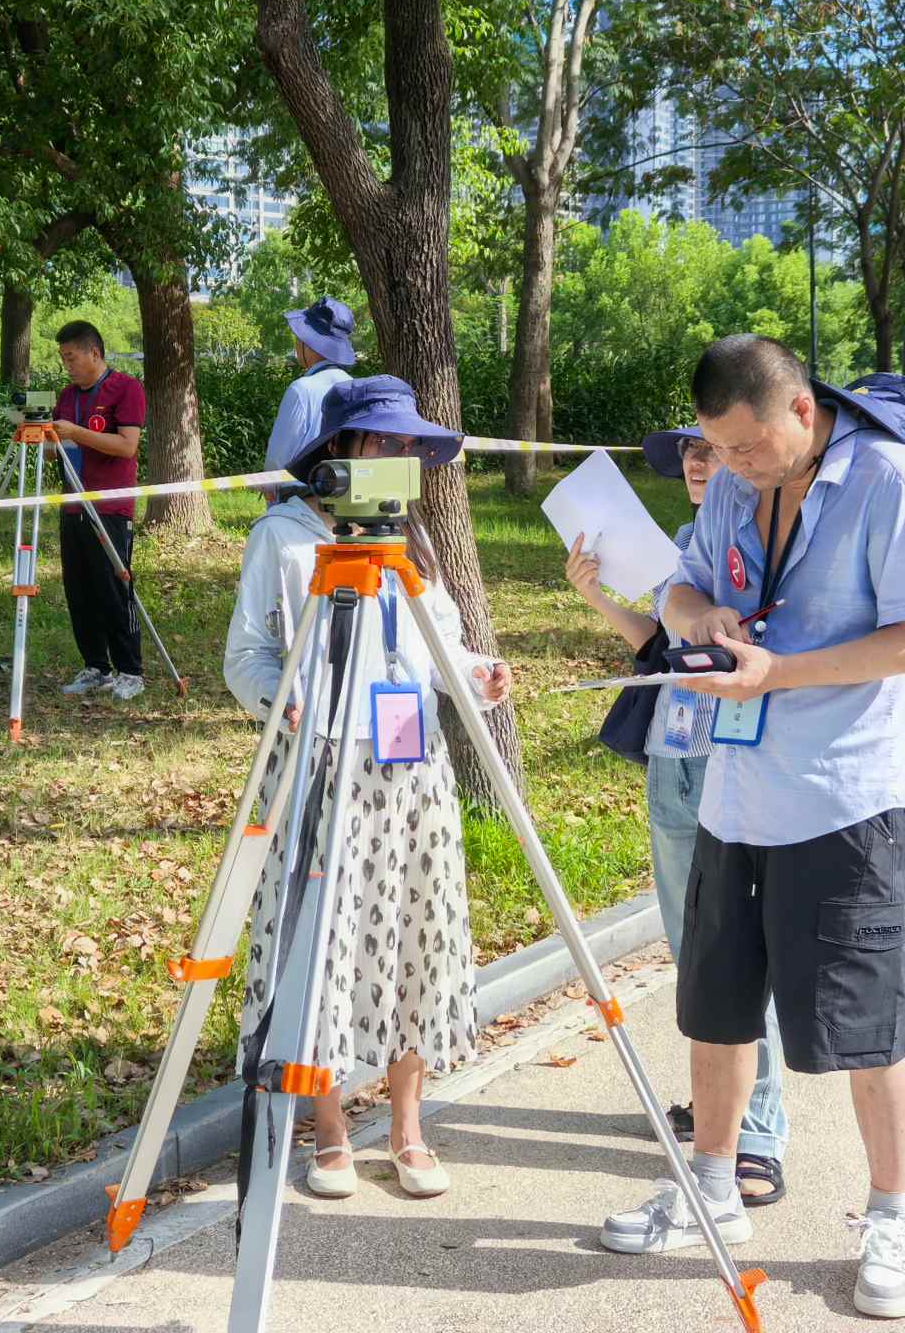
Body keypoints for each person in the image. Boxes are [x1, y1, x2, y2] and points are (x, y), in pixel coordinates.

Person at [596, 335, 905, 1320]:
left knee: (869, 1026)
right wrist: (702, 619)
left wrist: (779, 673)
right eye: (716, 449)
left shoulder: (892, 482)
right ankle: (713, 1185)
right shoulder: (729, 482)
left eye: (747, 447)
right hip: (732, 793)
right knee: (715, 1007)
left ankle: (891, 1218)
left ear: (802, 409)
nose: (732, 468)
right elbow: (677, 589)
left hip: (843, 800)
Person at [224, 375, 513, 1201]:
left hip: (412, 771)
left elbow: (441, 646)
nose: (398, 458)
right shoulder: (283, 538)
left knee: (418, 932)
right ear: (341, 450)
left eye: (409, 447)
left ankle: (409, 1128)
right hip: (322, 764)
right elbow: (246, 657)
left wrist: (477, 677)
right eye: (384, 442)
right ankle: (329, 1129)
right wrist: (282, 702)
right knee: (321, 940)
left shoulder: (412, 540)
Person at [563, 425, 790, 1209]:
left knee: (742, 954)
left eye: (709, 448)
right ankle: (720, 1098)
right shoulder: (687, 550)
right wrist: (597, 597)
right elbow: (658, 649)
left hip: (737, 758)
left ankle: (757, 1134)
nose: (697, 462)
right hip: (673, 759)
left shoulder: (768, 542)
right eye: (689, 453)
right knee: (696, 955)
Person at [49, 321, 148, 701]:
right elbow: (58, 449)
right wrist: (38, 437)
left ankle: (130, 670)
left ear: (94, 352)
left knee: (113, 587)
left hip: (110, 506)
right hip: (72, 503)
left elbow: (126, 446)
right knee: (79, 589)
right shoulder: (66, 396)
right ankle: (96, 666)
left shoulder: (126, 388)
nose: (67, 365)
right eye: (63, 359)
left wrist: (76, 432)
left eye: (71, 357)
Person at [262, 297, 358, 499]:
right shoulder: (354, 386)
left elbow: (278, 458)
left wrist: (269, 485)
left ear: (309, 343)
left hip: (299, 500)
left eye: (299, 337)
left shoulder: (301, 389)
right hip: (343, 494)